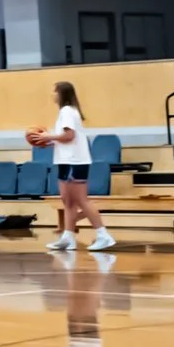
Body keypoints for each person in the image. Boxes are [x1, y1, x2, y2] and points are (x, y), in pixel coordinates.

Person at [31, 80, 115, 253]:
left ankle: (103, 235)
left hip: (74, 161)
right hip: (65, 160)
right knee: (67, 201)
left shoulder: (67, 111)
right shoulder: (66, 112)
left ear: (62, 93)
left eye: (54, 91)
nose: (52, 94)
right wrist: (52, 141)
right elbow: (67, 139)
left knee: (81, 200)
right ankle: (68, 237)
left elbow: (69, 135)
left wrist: (48, 137)